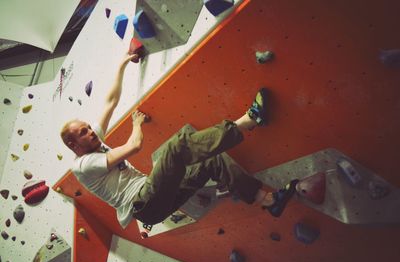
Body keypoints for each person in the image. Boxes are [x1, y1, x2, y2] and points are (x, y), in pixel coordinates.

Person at [60, 52, 298, 228]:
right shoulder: (82, 165)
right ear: (73, 145)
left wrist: (121, 64)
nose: (91, 132)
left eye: (88, 128)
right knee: (177, 147)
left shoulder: (94, 142)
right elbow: (134, 146)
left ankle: (267, 201)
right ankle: (250, 120)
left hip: (156, 203)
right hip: (144, 202)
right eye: (83, 132)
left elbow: (109, 102)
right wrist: (136, 123)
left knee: (210, 161)